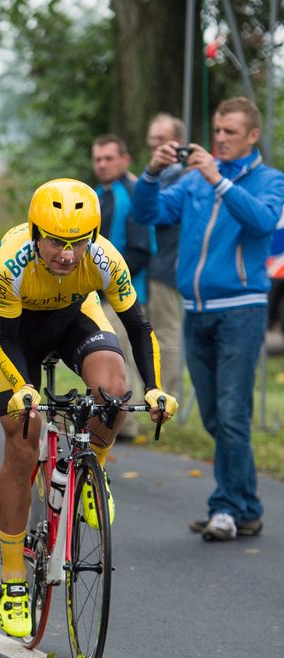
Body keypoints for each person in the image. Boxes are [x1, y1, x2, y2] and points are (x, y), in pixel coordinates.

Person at [0, 178, 176, 637]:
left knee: (114, 389)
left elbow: (138, 326)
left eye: (77, 243)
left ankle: (93, 472)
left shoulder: (106, 258)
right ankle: (13, 581)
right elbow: (6, 339)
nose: (67, 254)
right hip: (20, 339)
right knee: (23, 437)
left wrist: (154, 388)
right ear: (35, 232)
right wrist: (22, 389)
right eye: (55, 241)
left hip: (75, 318)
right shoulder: (9, 262)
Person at [133, 96, 284, 542]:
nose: (219, 139)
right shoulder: (196, 181)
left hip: (241, 311)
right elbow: (149, 212)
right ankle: (249, 507)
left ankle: (225, 508)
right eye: (217, 131)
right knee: (216, 417)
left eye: (230, 132)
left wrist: (219, 180)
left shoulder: (269, 180)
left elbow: (263, 222)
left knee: (233, 415)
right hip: (196, 313)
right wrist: (151, 173)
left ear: (252, 135)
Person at [91, 134, 154, 437]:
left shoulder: (132, 195)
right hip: (95, 295)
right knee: (109, 356)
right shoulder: (92, 195)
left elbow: (141, 249)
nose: (102, 164)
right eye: (98, 159)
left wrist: (108, 278)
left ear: (125, 160)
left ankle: (125, 424)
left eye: (108, 158)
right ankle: (117, 421)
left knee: (120, 356)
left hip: (125, 293)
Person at [139, 114, 186, 400]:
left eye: (162, 139)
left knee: (167, 335)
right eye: (153, 139)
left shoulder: (182, 178)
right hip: (151, 268)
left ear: (177, 143)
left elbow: (155, 212)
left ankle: (168, 399)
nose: (156, 145)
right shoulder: (158, 175)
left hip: (168, 267)